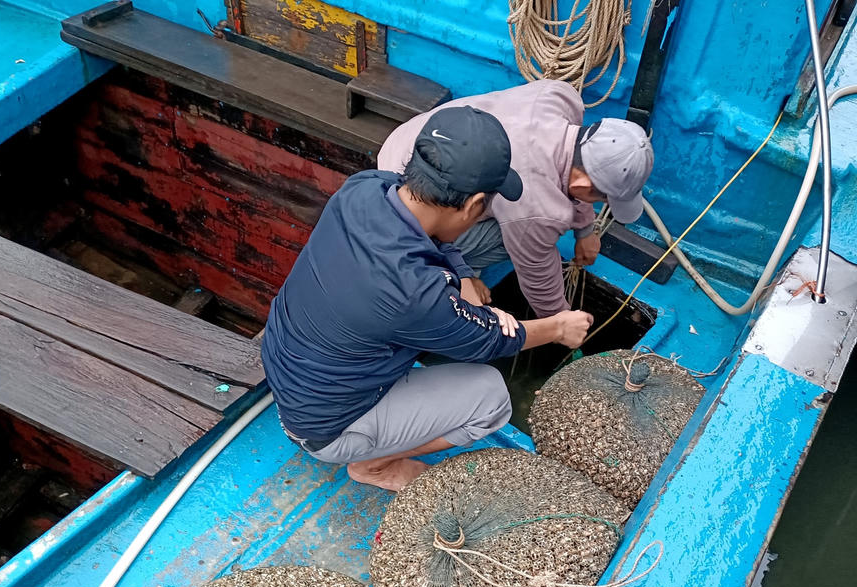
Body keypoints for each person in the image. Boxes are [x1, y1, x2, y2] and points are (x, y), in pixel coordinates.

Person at [261, 105, 594, 492]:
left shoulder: (364, 188)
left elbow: (434, 240)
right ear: (473, 205)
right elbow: (493, 341)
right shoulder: (414, 294)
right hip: (325, 428)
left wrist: (464, 277)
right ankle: (373, 465)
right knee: (491, 398)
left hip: (290, 376)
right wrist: (559, 327)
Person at [377, 80, 654, 318]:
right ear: (582, 186)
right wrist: (560, 321)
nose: (601, 205)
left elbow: (572, 169)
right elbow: (538, 278)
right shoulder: (538, 209)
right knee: (519, 238)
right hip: (410, 203)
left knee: (522, 225)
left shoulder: (559, 95)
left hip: (410, 144)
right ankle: (454, 270)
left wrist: (585, 231)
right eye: (604, 199)